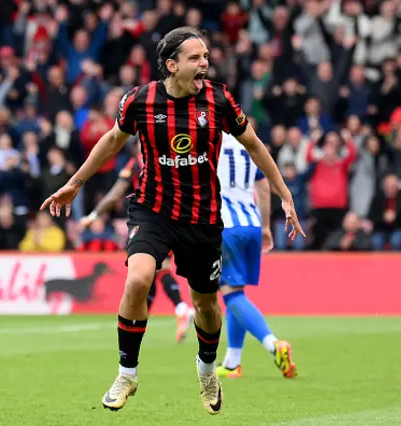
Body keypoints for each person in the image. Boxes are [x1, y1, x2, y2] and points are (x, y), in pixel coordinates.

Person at [40, 27, 305, 415]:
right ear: (171, 64)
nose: (205, 64)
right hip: (153, 210)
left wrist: (285, 194)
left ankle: (207, 370)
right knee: (138, 278)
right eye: (196, 58)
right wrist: (74, 184)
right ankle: (126, 374)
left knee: (207, 306)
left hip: (202, 217)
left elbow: (254, 144)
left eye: (206, 57)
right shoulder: (140, 101)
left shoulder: (218, 99)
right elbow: (112, 141)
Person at [80, 140, 196, 343]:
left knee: (152, 269)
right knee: (151, 272)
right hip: (175, 217)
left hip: (149, 223)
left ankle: (179, 307)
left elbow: (116, 194)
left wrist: (92, 216)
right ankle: (148, 318)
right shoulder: (170, 159)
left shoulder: (134, 164)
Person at [215, 132, 298, 379]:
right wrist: (264, 228)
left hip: (225, 225)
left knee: (229, 295)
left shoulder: (209, 141)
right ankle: (232, 362)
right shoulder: (249, 143)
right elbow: (263, 188)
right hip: (250, 223)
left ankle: (274, 345)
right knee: (236, 293)